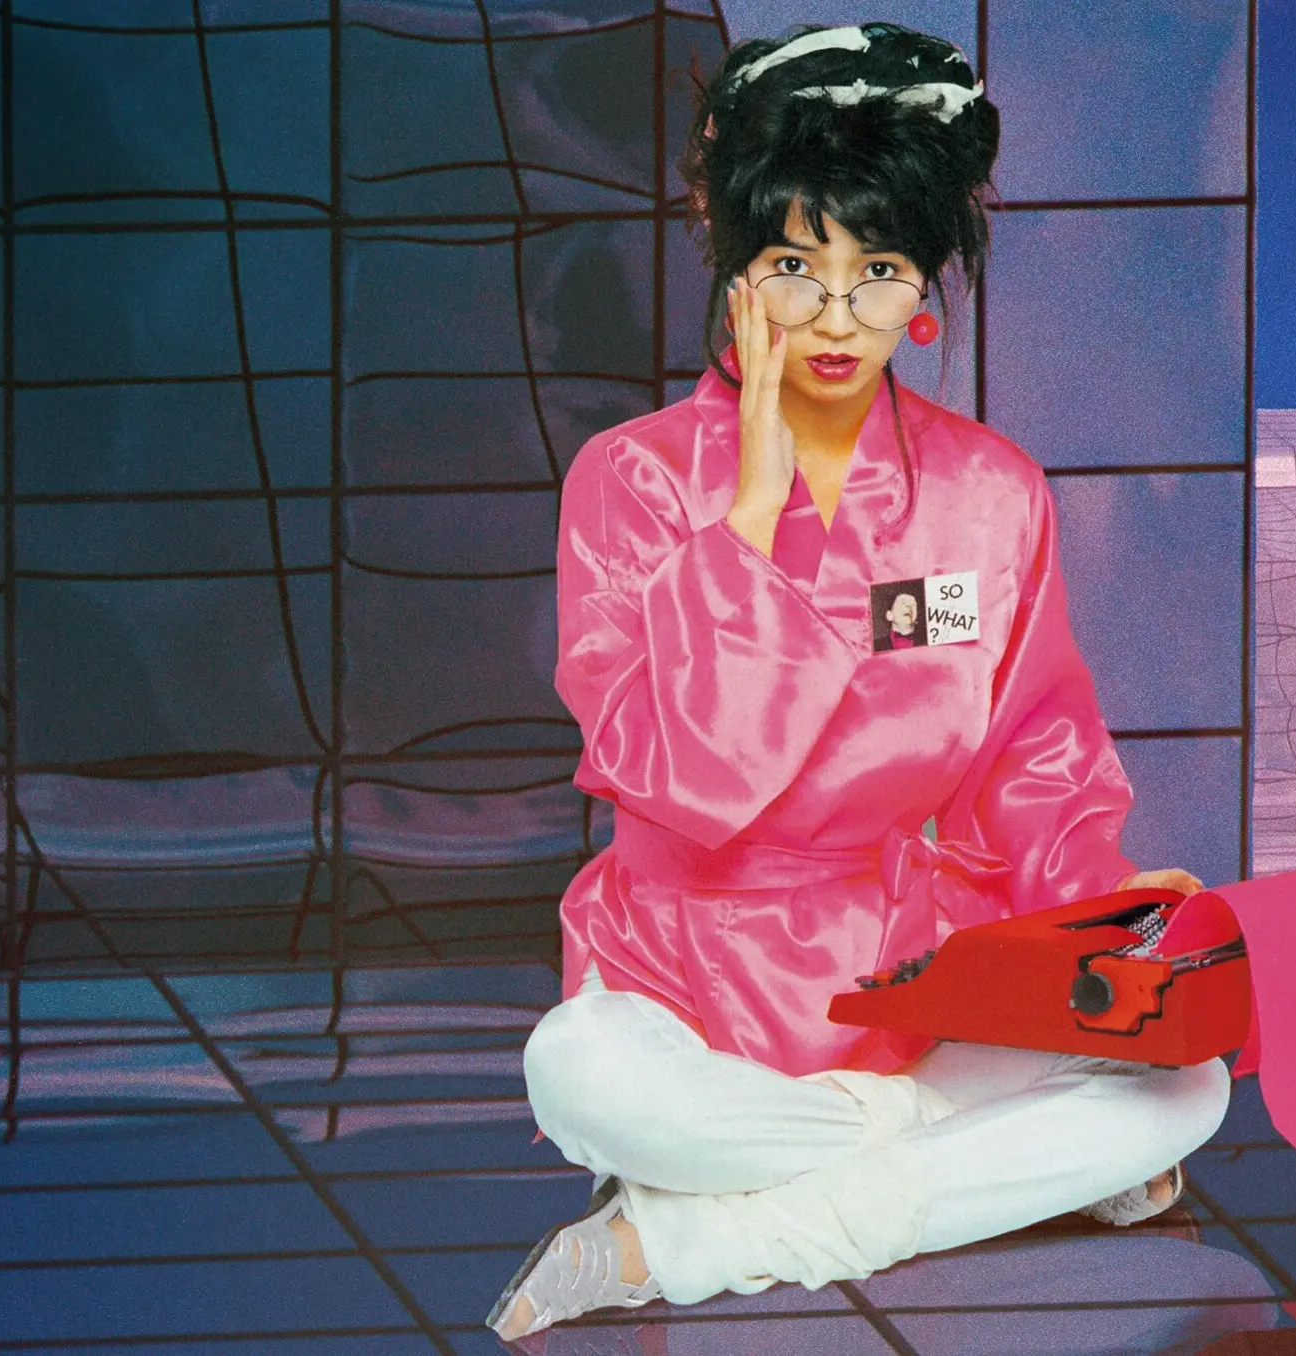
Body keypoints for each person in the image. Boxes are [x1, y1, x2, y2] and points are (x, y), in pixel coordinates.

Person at [490, 22, 1230, 1341]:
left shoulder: (990, 492)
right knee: (579, 1069)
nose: (836, 320)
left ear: (923, 282)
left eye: (877, 271)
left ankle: (692, 1235)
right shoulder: (634, 482)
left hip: (909, 982)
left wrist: (1105, 918)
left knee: (1188, 1086)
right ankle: (967, 1172)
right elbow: (685, 780)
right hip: (684, 987)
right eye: (795, 267)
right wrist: (752, 522)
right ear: (734, 268)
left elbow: (1037, 757)